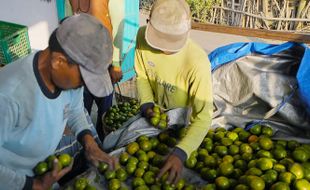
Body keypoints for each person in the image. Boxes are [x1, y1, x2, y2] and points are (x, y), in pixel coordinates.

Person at [0, 13, 118, 189]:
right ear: (58, 61)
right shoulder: (9, 95)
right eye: (83, 80)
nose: (83, 87)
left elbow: (75, 109)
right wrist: (34, 185)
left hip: (42, 172)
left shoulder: (68, 82)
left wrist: (89, 143)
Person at [134, 0, 213, 184]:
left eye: (172, 43)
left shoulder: (198, 63)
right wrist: (147, 105)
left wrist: (181, 152)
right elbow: (142, 75)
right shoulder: (142, 37)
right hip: (154, 118)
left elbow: (203, 117)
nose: (165, 48)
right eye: (161, 41)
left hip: (183, 127)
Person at [56, 0, 139, 140]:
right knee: (81, 107)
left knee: (105, 112)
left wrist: (116, 64)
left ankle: (102, 141)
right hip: (81, 62)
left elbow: (119, 30)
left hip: (103, 63)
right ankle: (84, 143)